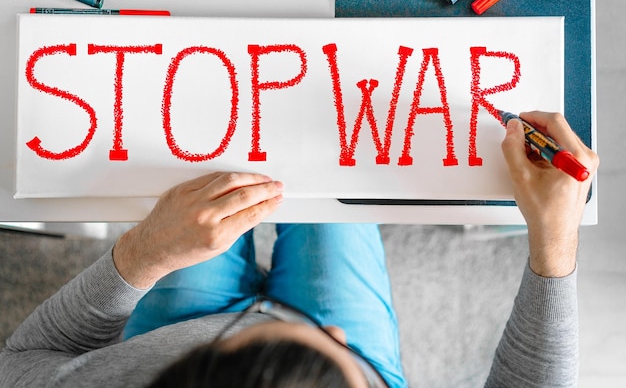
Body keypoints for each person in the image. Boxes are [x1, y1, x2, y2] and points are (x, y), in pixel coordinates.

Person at [0, 111, 599, 388]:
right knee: (336, 164)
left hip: (167, 326)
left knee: (219, 152)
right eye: (337, 350)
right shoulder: (339, 335)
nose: (334, 332)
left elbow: (23, 357)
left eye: (231, 349)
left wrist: (146, 252)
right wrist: (554, 238)